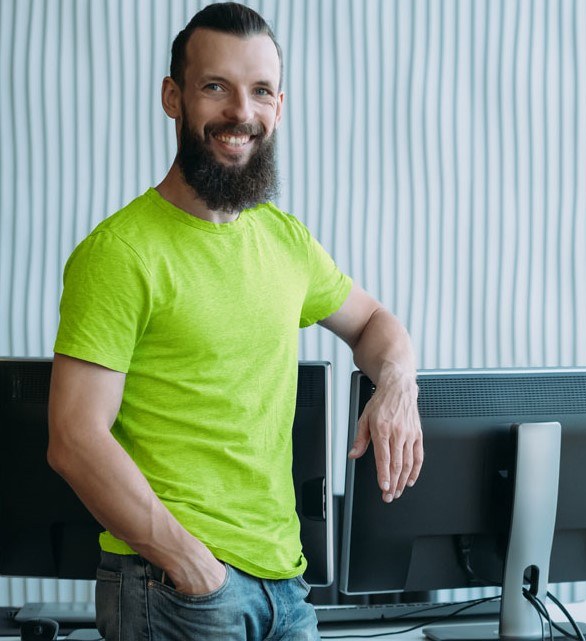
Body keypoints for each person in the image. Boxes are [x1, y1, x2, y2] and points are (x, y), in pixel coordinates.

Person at [46, 3, 423, 640]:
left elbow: (374, 323)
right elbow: (75, 440)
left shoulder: (285, 241)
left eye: (261, 91)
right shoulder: (119, 254)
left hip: (287, 586)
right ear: (173, 97)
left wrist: (397, 384)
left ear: (280, 105)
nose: (241, 113)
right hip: (179, 589)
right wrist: (194, 567)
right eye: (215, 86)